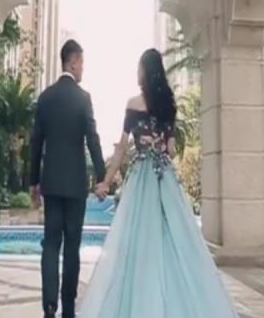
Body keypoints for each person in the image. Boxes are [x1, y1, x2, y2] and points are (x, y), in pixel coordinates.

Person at [78, 48, 238, 318]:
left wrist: (105, 181)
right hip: (164, 177)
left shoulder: (132, 104)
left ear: (144, 72)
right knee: (173, 238)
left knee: (136, 241)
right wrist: (160, 144)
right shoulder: (168, 105)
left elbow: (121, 149)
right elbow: (172, 150)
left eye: (139, 68)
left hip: (141, 177)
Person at [30, 39, 108, 318]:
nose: (83, 68)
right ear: (72, 62)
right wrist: (102, 177)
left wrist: (33, 182)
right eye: (82, 63)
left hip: (51, 184)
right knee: (72, 246)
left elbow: (35, 142)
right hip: (75, 185)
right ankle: (69, 310)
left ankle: (50, 305)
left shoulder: (45, 97)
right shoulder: (83, 98)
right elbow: (93, 140)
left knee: (51, 243)